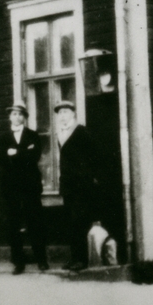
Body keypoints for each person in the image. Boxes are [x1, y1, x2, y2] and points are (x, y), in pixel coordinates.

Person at [0, 102, 48, 274]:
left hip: (30, 186)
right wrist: (23, 152)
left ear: (24, 117)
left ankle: (41, 259)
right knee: (13, 224)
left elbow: (35, 156)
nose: (17, 117)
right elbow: (0, 159)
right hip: (11, 187)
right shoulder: (3, 137)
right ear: (9, 117)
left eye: (20, 114)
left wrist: (15, 153)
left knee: (35, 222)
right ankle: (18, 262)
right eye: (14, 114)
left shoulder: (33, 135)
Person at [54, 100, 99, 272]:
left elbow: (94, 155)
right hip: (68, 185)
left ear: (73, 113)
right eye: (60, 113)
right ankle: (74, 258)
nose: (62, 115)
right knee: (71, 222)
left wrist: (88, 176)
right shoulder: (60, 133)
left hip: (82, 185)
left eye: (66, 112)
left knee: (80, 221)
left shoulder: (81, 131)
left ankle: (82, 260)